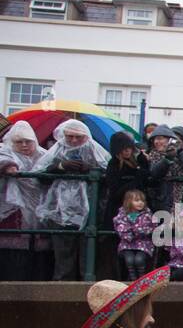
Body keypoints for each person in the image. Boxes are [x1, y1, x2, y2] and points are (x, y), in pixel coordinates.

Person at [34, 120, 109, 281]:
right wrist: (60, 166)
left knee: (87, 252)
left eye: (78, 137)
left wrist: (90, 169)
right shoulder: (56, 151)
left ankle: (87, 285)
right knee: (63, 253)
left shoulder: (95, 151)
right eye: (70, 137)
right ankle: (62, 288)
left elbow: (109, 174)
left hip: (90, 209)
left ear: (86, 136)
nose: (74, 141)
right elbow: (39, 175)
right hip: (59, 210)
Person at [0, 121, 48, 282]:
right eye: (19, 142)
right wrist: (9, 167)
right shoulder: (6, 152)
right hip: (12, 209)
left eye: (28, 141)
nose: (24, 145)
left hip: (39, 209)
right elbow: (3, 158)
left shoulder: (43, 155)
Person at [112, 189, 155, 281]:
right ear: (128, 202)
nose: (140, 203)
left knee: (139, 260)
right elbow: (120, 227)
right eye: (137, 200)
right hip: (127, 245)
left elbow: (149, 227)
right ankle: (133, 280)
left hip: (143, 244)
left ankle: (141, 279)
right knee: (129, 260)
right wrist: (131, 232)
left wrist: (135, 230)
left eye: (142, 201)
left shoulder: (147, 214)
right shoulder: (122, 214)